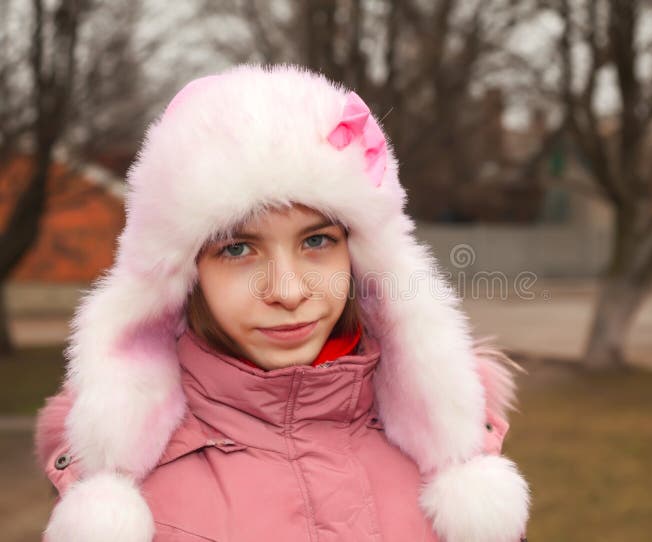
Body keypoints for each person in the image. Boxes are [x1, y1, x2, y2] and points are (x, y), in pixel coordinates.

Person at [34, 64, 531, 542]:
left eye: (316, 242)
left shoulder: (453, 466)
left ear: (363, 260)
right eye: (237, 249)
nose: (289, 292)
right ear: (183, 279)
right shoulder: (131, 506)